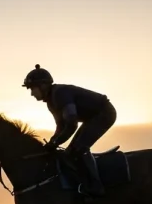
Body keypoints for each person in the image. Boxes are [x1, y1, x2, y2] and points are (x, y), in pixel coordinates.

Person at [22, 64, 117, 196]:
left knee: (79, 149)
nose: (32, 93)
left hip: (105, 113)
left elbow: (72, 124)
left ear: (43, 86)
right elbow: (61, 126)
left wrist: (56, 142)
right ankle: (82, 182)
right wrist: (52, 141)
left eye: (32, 89)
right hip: (92, 117)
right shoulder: (51, 102)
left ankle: (96, 186)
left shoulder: (59, 94)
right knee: (69, 152)